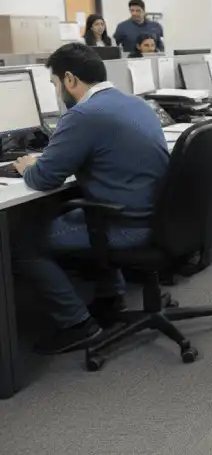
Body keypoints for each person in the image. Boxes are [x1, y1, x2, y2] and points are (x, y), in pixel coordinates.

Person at [11, 43, 169, 355]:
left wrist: (30, 165)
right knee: (87, 209)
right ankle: (111, 297)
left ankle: (77, 324)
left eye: (55, 84)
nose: (58, 92)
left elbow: (44, 178)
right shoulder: (134, 103)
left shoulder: (84, 115)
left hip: (127, 225)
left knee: (22, 246)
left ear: (70, 79)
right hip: (155, 216)